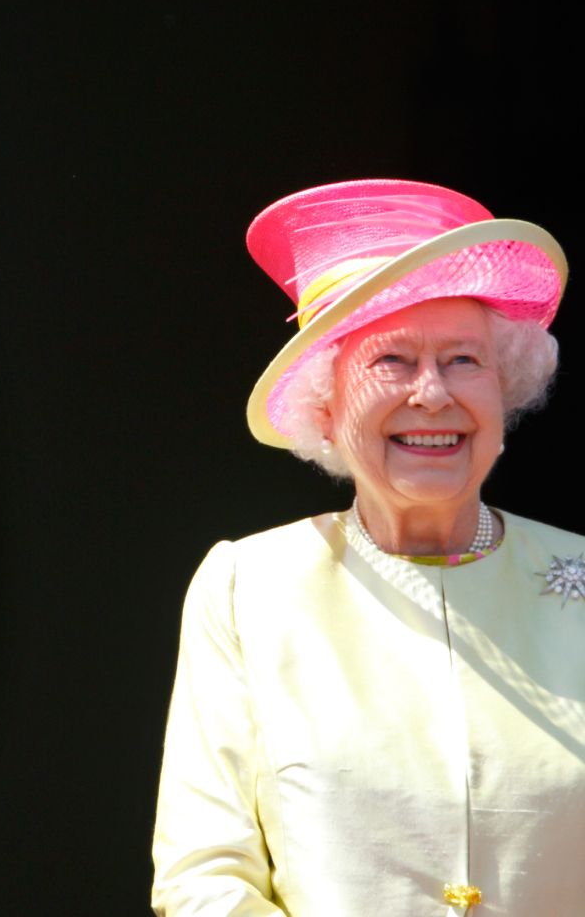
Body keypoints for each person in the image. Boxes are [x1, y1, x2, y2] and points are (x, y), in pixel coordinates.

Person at [151, 179, 585, 915]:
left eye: (463, 361)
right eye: (392, 361)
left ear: (504, 387)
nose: (432, 395)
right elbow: (205, 880)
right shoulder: (247, 588)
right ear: (325, 400)